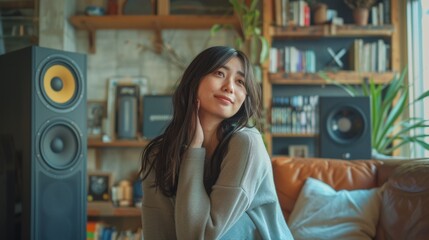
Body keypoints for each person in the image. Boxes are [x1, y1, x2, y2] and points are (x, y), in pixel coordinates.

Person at [139, 46, 294, 240]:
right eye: (219, 73)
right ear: (194, 80)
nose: (230, 86)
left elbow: (201, 236)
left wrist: (194, 151)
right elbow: (158, 232)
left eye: (240, 81)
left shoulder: (246, 143)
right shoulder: (159, 153)